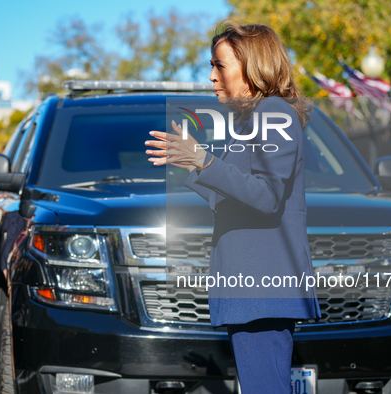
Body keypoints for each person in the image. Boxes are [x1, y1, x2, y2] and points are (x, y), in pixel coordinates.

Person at [145, 22, 320, 393]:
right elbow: (236, 201)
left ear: (252, 65)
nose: (211, 76)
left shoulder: (274, 113)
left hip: (263, 289)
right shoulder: (251, 120)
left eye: (220, 65)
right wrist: (195, 164)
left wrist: (206, 161)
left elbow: (267, 196)